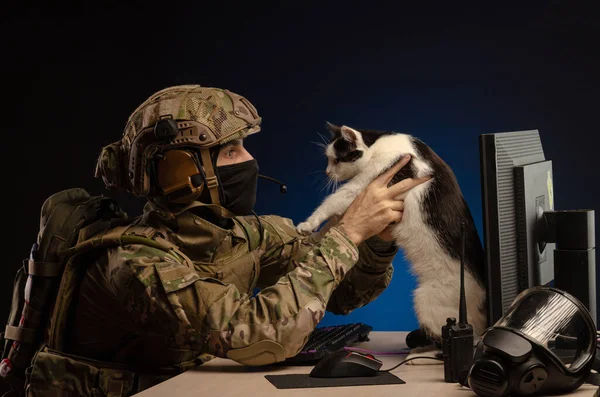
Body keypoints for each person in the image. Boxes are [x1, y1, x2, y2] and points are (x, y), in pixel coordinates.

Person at [26, 85, 429, 396]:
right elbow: (258, 337)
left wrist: (377, 241)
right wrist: (347, 232)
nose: (250, 161)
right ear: (179, 170)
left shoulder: (240, 233)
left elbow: (340, 294)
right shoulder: (132, 264)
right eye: (233, 150)